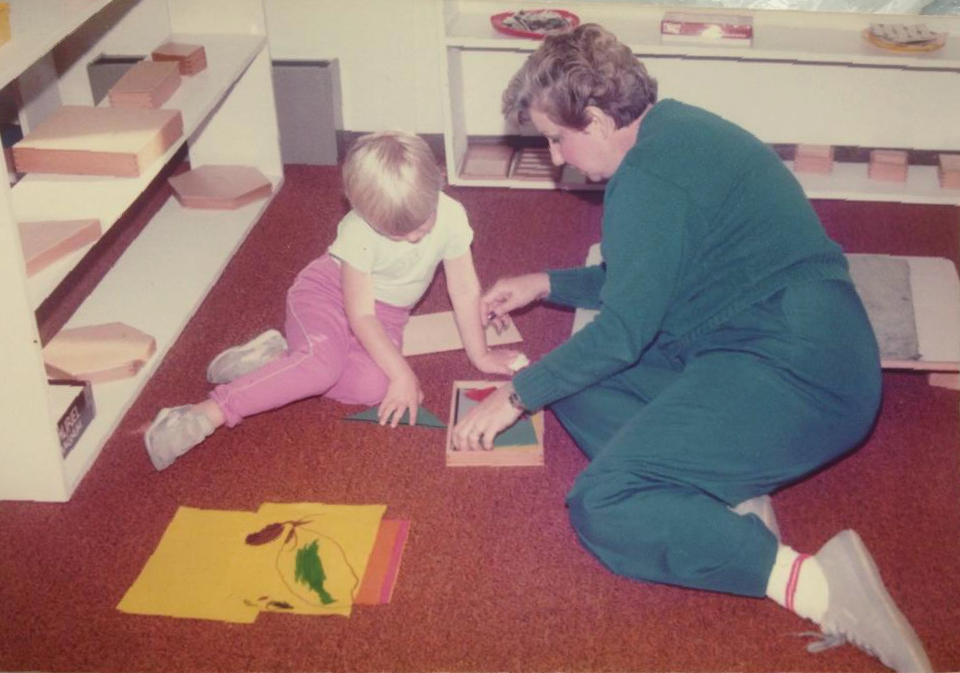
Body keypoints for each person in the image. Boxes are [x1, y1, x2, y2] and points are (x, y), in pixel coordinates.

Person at [451, 23, 930, 673]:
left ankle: (814, 581)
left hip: (805, 374)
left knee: (601, 502)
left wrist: (514, 395)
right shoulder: (669, 133)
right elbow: (650, 277)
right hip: (748, 337)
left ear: (592, 119)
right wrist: (547, 284)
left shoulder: (647, 183)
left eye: (555, 138)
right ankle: (715, 495)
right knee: (572, 377)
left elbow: (624, 329)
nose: (556, 157)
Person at [146, 130, 520, 471]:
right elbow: (359, 315)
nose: (418, 236)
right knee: (326, 368)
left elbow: (465, 288)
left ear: (437, 185)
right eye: (399, 232)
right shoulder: (357, 230)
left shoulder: (452, 216)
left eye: (425, 220)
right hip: (326, 296)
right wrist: (403, 372)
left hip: (386, 316)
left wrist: (481, 355)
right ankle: (203, 413)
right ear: (364, 214)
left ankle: (280, 360)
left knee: (374, 387)